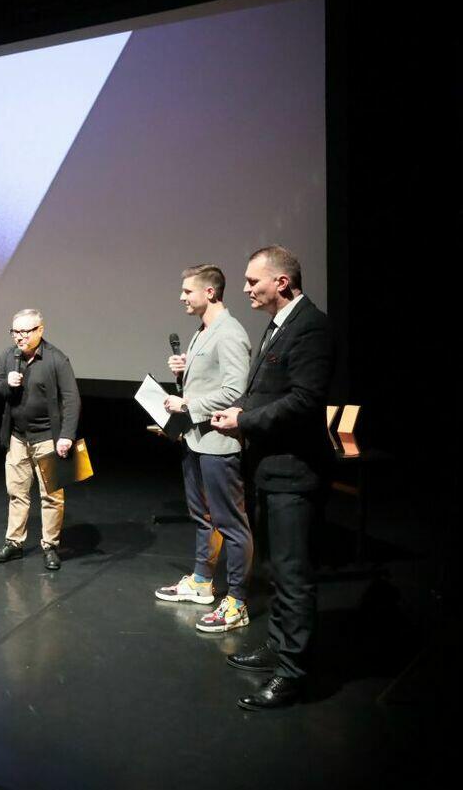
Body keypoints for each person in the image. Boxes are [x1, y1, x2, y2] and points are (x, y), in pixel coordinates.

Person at [211, 245, 333, 710]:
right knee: (277, 571)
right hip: (270, 471)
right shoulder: (280, 324)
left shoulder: (311, 328)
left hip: (294, 474)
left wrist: (244, 420)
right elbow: (266, 392)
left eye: (252, 281)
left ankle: (293, 673)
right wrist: (239, 410)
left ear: (281, 282)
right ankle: (280, 646)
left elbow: (304, 400)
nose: (245, 289)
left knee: (292, 573)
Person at [154, 265, 253, 633]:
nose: (181, 297)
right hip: (196, 438)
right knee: (203, 517)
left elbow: (235, 390)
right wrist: (183, 374)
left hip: (218, 443)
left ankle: (237, 601)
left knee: (231, 524)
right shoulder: (202, 331)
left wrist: (187, 404)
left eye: (187, 291)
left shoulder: (230, 332)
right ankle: (201, 582)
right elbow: (210, 381)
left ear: (210, 292)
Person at [0, 308, 81, 568]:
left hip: (48, 437)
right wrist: (7, 384)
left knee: (51, 495)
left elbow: (72, 400)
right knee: (16, 492)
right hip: (17, 437)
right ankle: (14, 543)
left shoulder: (56, 359)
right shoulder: (8, 357)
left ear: (40, 330)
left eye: (25, 331)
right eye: (15, 331)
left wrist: (66, 435)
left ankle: (50, 546)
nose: (19, 337)